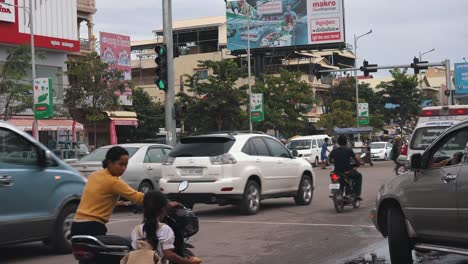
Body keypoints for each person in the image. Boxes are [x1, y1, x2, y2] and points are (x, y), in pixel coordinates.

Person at [70, 146, 146, 237]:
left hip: (76, 225)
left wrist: (115, 203)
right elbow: (138, 197)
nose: (123, 168)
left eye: (126, 165)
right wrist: (161, 199)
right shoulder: (113, 181)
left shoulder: (94, 175)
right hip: (93, 227)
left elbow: (95, 197)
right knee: (126, 245)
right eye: (121, 164)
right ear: (110, 163)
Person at [131, 191, 201, 264]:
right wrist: (186, 262)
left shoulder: (137, 230)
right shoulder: (165, 229)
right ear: (163, 209)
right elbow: (168, 255)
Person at [329, 135, 363, 200]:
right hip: (347, 172)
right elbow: (356, 160)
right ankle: (357, 194)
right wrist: (359, 163)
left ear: (338, 142)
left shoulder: (334, 151)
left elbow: (330, 160)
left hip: (336, 172)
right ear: (346, 142)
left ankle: (335, 192)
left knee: (333, 177)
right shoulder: (349, 150)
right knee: (359, 176)